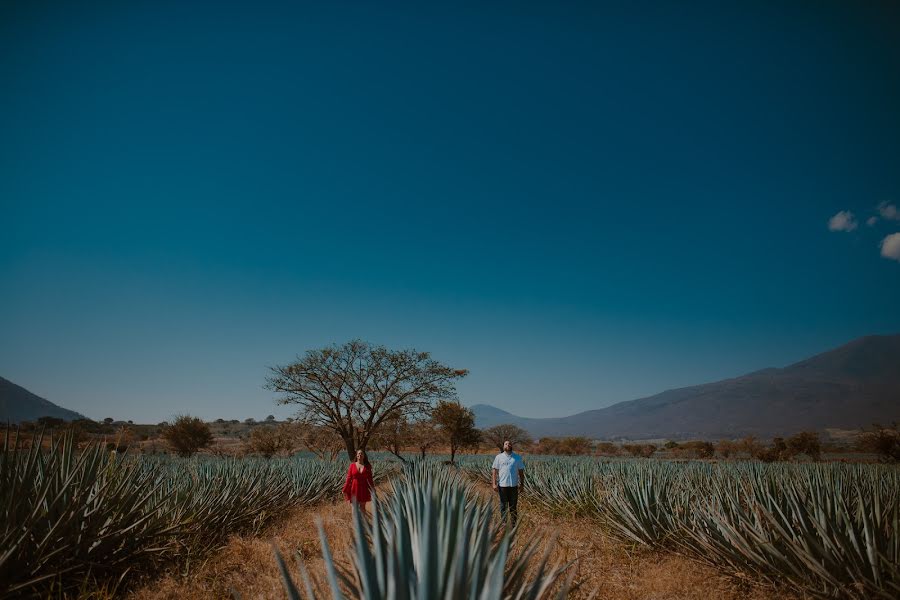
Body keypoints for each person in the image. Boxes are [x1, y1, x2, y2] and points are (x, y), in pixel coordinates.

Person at [491, 440, 525, 525]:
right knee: (503, 506)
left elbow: (521, 472)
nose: (508, 445)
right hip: (502, 485)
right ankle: (503, 524)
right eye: (506, 444)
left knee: (513, 506)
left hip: (514, 485)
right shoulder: (499, 457)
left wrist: (522, 485)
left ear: (511, 445)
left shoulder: (517, 457)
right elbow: (494, 471)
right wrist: (494, 484)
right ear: (503, 446)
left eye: (509, 443)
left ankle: (514, 524)